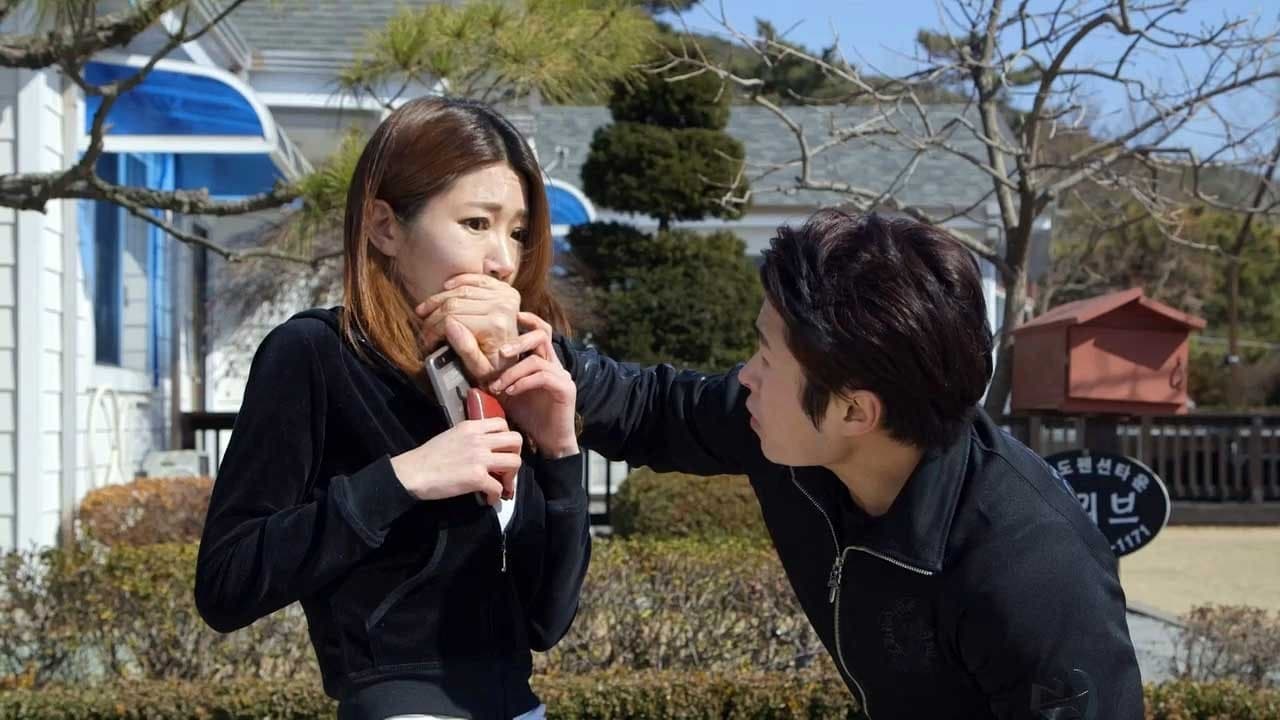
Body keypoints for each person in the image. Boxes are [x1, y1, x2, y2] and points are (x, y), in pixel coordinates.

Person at [439, 209, 1143, 719]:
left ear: (855, 412)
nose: (745, 376)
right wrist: (528, 353)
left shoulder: (1032, 572)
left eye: (766, 358)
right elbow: (654, 407)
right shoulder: (793, 429)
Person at [194, 97, 589, 720]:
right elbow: (226, 582)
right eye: (477, 224)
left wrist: (562, 452)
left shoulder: (507, 376)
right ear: (385, 227)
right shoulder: (314, 353)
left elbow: (546, 620)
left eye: (517, 232)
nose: (504, 261)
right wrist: (403, 478)